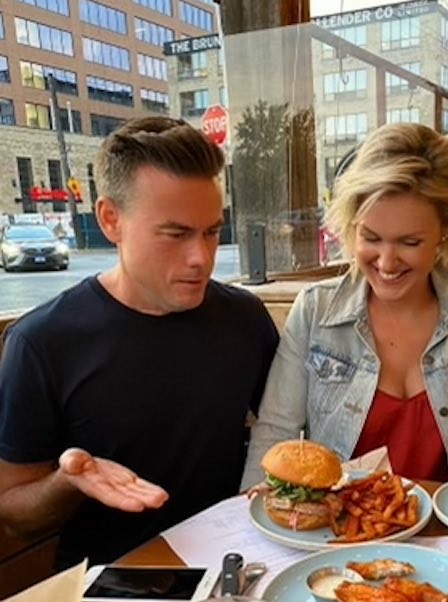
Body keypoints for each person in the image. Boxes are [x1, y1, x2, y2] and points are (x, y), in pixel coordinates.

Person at [0, 116, 278, 570]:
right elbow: (14, 515)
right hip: (112, 589)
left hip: (236, 564)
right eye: (176, 233)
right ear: (111, 219)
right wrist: (71, 483)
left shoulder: (244, 317)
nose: (201, 258)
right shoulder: (43, 342)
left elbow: (283, 429)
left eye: (211, 232)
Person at [241, 123, 448, 488]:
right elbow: (275, 433)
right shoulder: (317, 310)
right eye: (370, 237)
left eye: (410, 242)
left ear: (445, 231)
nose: (386, 261)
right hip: (343, 535)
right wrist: (251, 530)